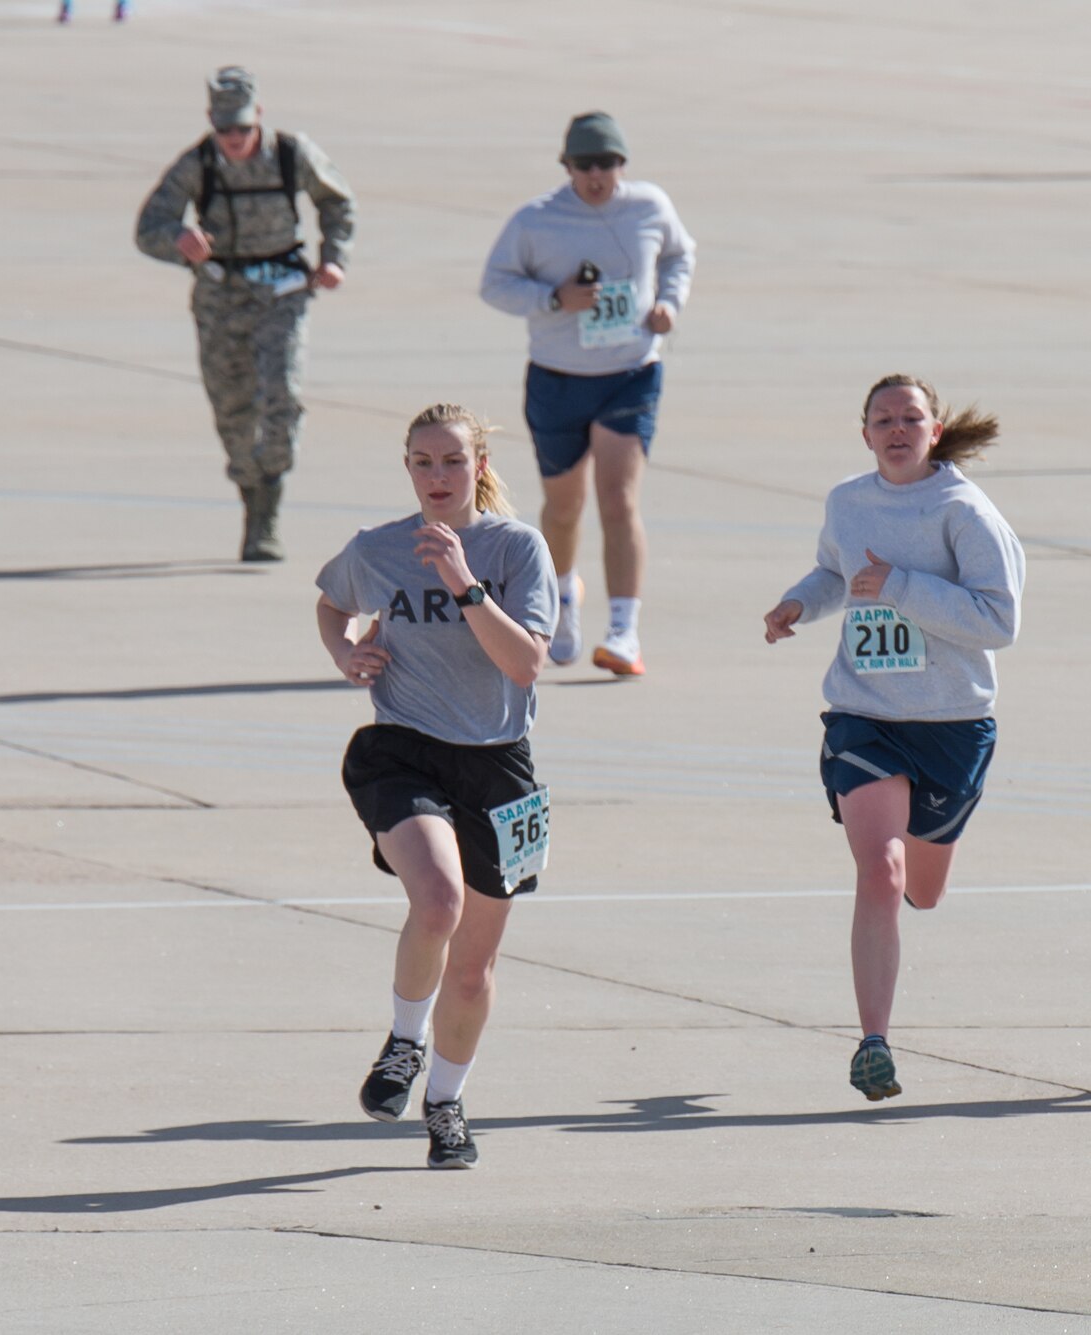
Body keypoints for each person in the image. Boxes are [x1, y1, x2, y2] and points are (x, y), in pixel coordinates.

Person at [763, 375, 1025, 1101]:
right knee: (880, 869)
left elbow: (999, 621)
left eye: (912, 417)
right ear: (866, 433)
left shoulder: (965, 511)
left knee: (924, 889)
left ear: (935, 431)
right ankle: (874, 1041)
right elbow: (836, 572)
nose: (898, 428)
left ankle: (925, 856)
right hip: (864, 713)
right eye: (884, 419)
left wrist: (902, 585)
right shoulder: (848, 502)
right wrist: (799, 602)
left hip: (951, 724)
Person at [315, 403, 560, 1168]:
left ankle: (447, 1104)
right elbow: (332, 603)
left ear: (480, 467)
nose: (438, 476)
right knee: (438, 901)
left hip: (499, 763)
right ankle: (402, 1044)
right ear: (408, 469)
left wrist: (463, 582)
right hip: (403, 749)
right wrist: (344, 651)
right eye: (423, 462)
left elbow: (524, 663)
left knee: (475, 967)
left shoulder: (516, 548)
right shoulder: (379, 549)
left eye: (453, 461)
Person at [480, 111, 696, 677]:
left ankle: (624, 631)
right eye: (585, 165)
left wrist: (669, 304)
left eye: (607, 164)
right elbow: (495, 284)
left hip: (630, 372)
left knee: (618, 499)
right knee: (564, 504)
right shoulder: (537, 220)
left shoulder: (649, 206)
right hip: (557, 376)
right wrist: (555, 299)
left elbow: (679, 254)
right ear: (567, 166)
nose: (597, 176)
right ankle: (562, 596)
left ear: (622, 165)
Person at [135, 67, 354, 562]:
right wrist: (179, 241)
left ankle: (269, 506)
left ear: (259, 117)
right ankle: (250, 493)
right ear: (211, 122)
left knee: (283, 394)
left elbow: (338, 202)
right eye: (225, 129)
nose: (234, 139)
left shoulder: (293, 155)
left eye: (242, 128)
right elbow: (148, 225)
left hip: (283, 293)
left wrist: (335, 257)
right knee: (232, 408)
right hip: (221, 298)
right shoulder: (199, 164)